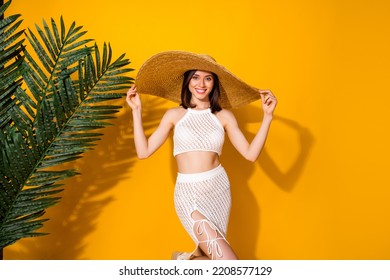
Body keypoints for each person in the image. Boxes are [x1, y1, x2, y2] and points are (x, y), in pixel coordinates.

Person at [126, 51, 277, 260]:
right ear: (187, 81)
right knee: (229, 263)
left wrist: (267, 117)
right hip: (189, 194)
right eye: (196, 77)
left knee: (215, 261)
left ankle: (186, 260)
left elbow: (250, 154)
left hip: (218, 190)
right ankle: (183, 261)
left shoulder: (224, 116)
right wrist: (136, 111)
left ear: (214, 83)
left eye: (208, 78)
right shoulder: (174, 115)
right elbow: (144, 152)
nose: (201, 84)